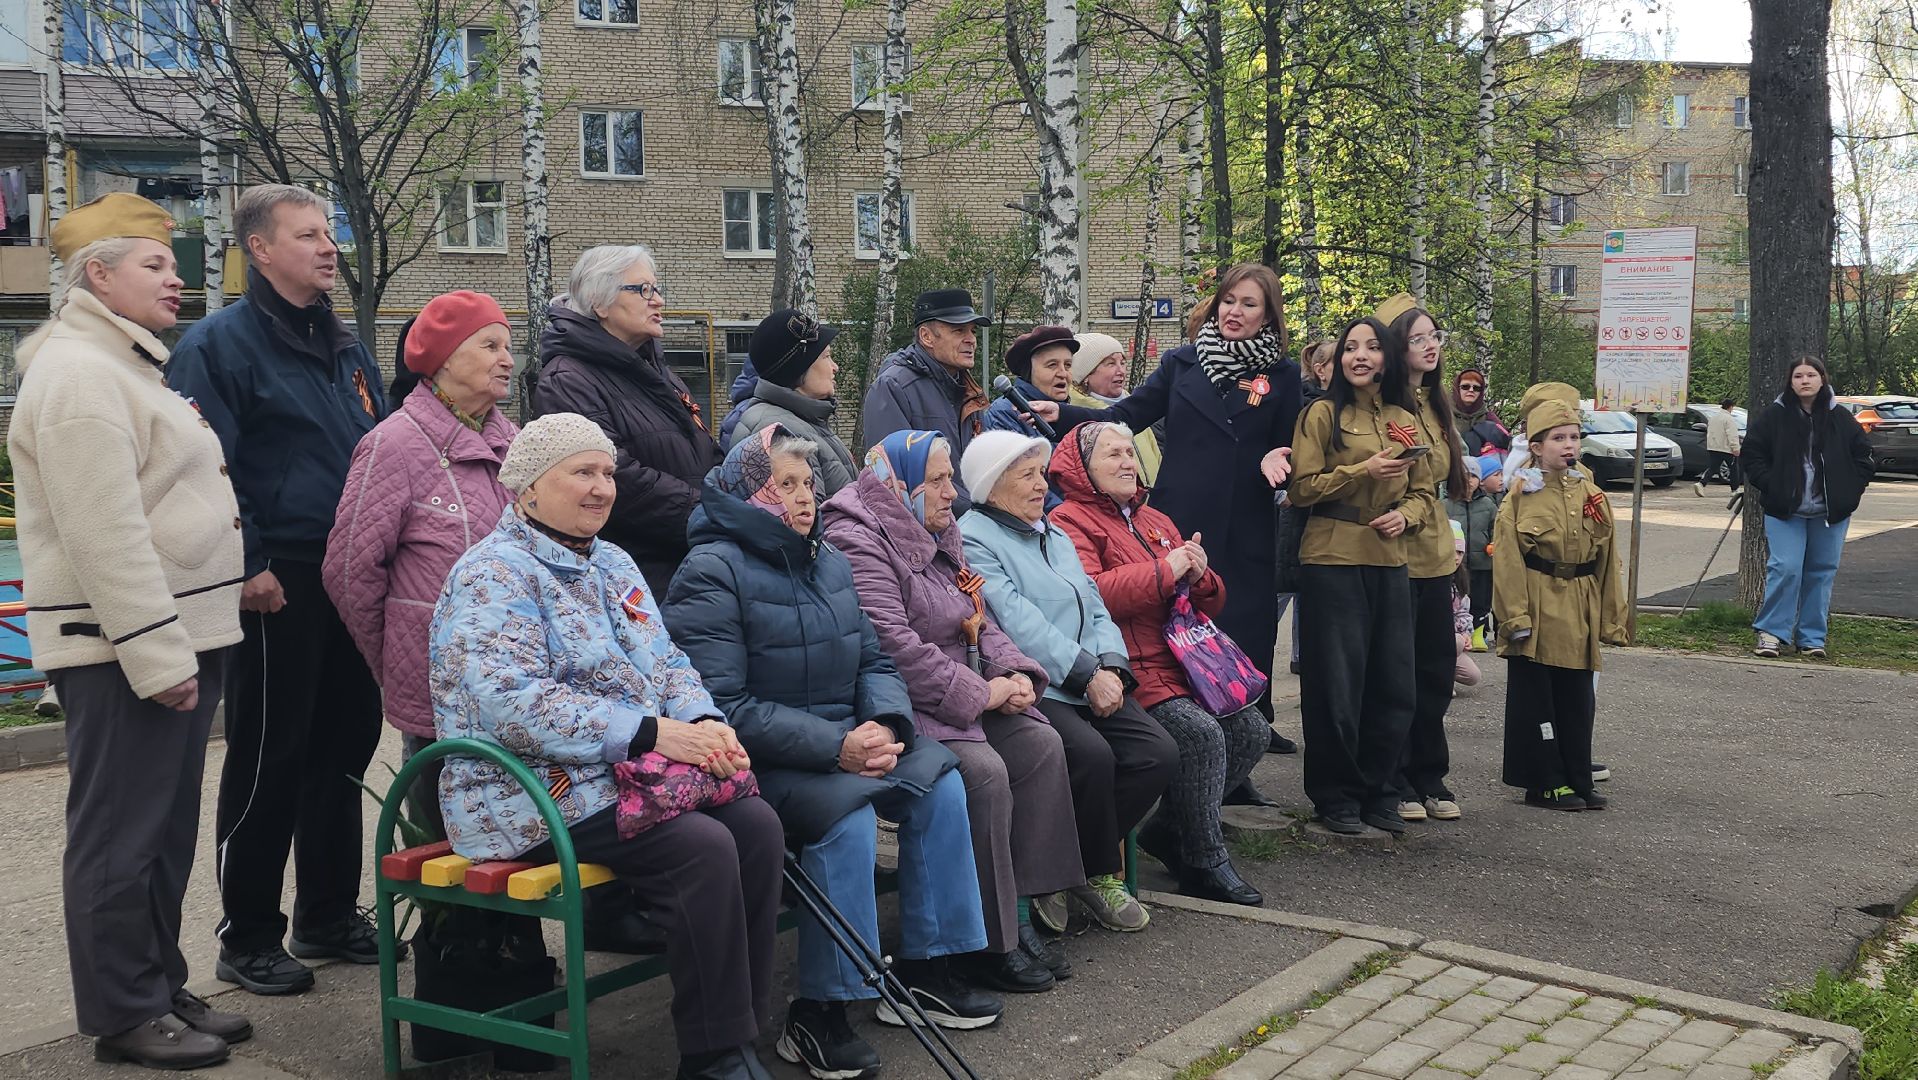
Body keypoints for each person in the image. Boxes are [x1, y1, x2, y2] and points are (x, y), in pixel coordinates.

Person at [431, 413, 782, 1080]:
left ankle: (737, 1031)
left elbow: (667, 659)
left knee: (758, 826)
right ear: (529, 488)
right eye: (581, 472)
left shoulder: (612, 561)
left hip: (622, 775)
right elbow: (510, 703)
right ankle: (712, 1055)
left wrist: (705, 722)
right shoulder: (494, 574)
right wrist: (651, 732)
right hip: (523, 789)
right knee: (702, 850)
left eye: (607, 473)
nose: (601, 488)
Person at [665, 426, 1000, 1078]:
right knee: (844, 821)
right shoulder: (711, 571)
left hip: (848, 742)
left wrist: (882, 724)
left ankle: (931, 966)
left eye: (808, 484)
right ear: (748, 492)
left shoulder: (828, 561)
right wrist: (836, 747)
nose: (804, 498)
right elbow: (722, 706)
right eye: (784, 484)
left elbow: (874, 660)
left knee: (942, 781)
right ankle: (821, 1010)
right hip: (768, 762)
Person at [10, 193, 252, 1069]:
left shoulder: (124, 366)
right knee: (121, 836)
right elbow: (103, 531)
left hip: (168, 642)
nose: (175, 276)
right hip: (124, 650)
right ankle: (122, 1012)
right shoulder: (79, 374)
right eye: (153, 264)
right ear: (97, 275)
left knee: (157, 833)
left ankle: (155, 985)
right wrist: (157, 653)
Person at [167, 183, 387, 996]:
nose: (328, 247)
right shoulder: (218, 346)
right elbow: (200, 467)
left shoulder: (344, 345)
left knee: (346, 742)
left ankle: (327, 912)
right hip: (277, 579)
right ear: (259, 249)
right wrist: (248, 558)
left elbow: (377, 449)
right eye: (307, 235)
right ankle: (248, 931)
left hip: (348, 573)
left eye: (329, 232)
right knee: (270, 753)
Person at [821, 431, 1086, 993]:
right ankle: (984, 942)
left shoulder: (938, 528)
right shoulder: (857, 537)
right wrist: (979, 693)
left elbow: (978, 616)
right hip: (897, 701)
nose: (952, 493)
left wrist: (1013, 674)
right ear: (900, 484)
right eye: (938, 480)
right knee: (983, 773)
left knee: (1040, 746)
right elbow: (891, 645)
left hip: (961, 685)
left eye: (951, 478)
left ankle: (1018, 914)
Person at [1039, 263, 1302, 745]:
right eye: (1228, 300)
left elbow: (1291, 443)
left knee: (1245, 624)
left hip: (1245, 523)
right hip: (1178, 520)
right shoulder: (1183, 362)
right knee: (1181, 627)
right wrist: (1063, 414)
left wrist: (1279, 457)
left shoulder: (1282, 375)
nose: (1234, 311)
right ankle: (1188, 732)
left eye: (1249, 304)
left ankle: (1247, 731)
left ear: (1268, 317)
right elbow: (1125, 415)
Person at [958, 431, 1178, 934]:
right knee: (1092, 756)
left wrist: (1113, 669)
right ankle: (1096, 873)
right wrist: (1086, 676)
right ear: (993, 485)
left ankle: (1067, 863)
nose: (1042, 485)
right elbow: (1017, 621)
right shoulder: (975, 538)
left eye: (1041, 472)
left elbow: (1094, 604)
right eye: (1028, 475)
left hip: (1093, 675)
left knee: (1157, 754)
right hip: (1040, 683)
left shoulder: (1050, 532)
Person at [1049, 422, 1267, 906]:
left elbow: (1205, 606)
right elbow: (1089, 597)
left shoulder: (1156, 520)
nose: (1129, 462)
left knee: (1251, 731)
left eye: (1131, 452)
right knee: (1199, 735)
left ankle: (1170, 830)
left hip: (1186, 663)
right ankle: (1203, 858)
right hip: (1127, 667)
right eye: (1113, 455)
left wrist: (1202, 573)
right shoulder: (1068, 521)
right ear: (1083, 467)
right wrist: (1164, 571)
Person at [324, 291, 520, 830]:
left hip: (520, 681)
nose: (508, 358)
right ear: (445, 358)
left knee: (515, 845)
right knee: (449, 850)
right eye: (490, 345)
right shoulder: (393, 444)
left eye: (509, 344)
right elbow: (349, 570)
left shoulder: (518, 447)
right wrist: (397, 657)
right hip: (440, 686)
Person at [1285, 316, 1420, 836]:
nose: (1359, 356)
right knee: (1336, 684)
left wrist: (1405, 514)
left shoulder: (1403, 417)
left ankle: (1379, 790)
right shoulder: (1322, 413)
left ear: (1388, 357)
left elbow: (1426, 492)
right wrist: (1361, 472)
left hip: (1389, 557)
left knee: (1392, 684)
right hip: (1333, 557)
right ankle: (1335, 795)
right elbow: (1301, 489)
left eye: (1370, 347)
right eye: (1349, 348)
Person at [530, 244, 719, 595]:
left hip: (692, 564)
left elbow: (703, 449)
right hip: (633, 583)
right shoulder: (568, 381)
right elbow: (619, 478)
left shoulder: (660, 374)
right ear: (599, 303)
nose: (658, 300)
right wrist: (710, 514)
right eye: (643, 290)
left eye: (657, 289)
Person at [1492, 383, 1629, 811]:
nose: (1569, 446)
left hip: (1579, 607)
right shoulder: (1521, 496)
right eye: (1558, 438)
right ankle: (1545, 780)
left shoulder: (1591, 495)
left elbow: (1608, 559)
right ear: (1536, 447)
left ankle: (1576, 773)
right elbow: (1509, 560)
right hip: (1538, 605)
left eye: (1573, 437)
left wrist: (1611, 618)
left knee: (1576, 699)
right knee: (1539, 701)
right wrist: (1514, 617)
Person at [1379, 295, 1470, 824]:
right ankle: (1394, 777)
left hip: (1436, 551)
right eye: (1419, 338)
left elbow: (1440, 473)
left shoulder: (1437, 403)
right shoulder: (1385, 406)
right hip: (1395, 551)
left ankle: (1430, 774)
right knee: (1398, 675)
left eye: (1435, 335)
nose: (1431, 344)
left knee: (1435, 672)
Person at [1740, 357, 1875, 659]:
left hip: (1830, 513)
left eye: (1811, 375)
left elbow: (1864, 456)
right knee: (1785, 568)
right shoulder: (1775, 416)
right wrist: (1771, 483)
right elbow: (1752, 453)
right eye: (1798, 375)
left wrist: (1850, 491)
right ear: (1790, 381)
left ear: (1822, 379)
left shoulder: (1839, 417)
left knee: (1821, 572)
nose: (1804, 380)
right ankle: (1772, 633)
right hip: (1786, 510)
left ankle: (1812, 638)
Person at [860, 288, 993, 506]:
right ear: (926, 336)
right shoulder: (894, 386)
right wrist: (978, 514)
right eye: (959, 331)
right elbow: (895, 476)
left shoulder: (968, 390)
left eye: (973, 331)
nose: (971, 340)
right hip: (921, 530)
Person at [731, 310, 860, 497]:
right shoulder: (780, 431)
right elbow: (807, 521)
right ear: (798, 369)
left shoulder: (806, 421)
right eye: (826, 357)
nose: (835, 367)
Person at [1069, 332, 1162, 485]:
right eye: (1111, 364)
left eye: (1123, 363)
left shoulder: (1135, 409)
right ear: (1086, 376)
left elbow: (1157, 459)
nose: (1121, 371)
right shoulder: (1079, 418)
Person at [983, 324, 1077, 438]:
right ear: (1028, 371)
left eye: (1068, 365)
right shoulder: (1004, 412)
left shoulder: (1072, 412)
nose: (1063, 373)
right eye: (1052, 365)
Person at [1446, 456, 1503, 639]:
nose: (1468, 480)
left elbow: (1496, 527)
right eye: (1463, 475)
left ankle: (1479, 632)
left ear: (1480, 479)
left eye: (1472, 476)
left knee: (1481, 600)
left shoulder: (1488, 505)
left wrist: (1494, 543)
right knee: (1458, 597)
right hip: (1456, 563)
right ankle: (1457, 630)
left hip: (1482, 563)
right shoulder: (1446, 505)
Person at [1449, 523, 1481, 689]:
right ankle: (1435, 680)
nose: (1455, 557)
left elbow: (1463, 612)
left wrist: (1466, 632)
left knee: (1473, 675)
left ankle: (1445, 673)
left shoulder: (1459, 580)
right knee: (1456, 642)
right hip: (1426, 641)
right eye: (1451, 551)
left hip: (1451, 639)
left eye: (1460, 552)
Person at [1452, 368, 1509, 457]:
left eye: (1476, 388)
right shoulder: (1444, 414)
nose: (1471, 390)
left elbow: (1508, 444)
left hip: (1483, 468)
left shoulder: (1489, 418)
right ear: (1457, 389)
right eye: (1465, 386)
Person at [1697, 396, 1743, 495]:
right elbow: (1732, 434)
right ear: (1730, 407)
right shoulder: (1729, 419)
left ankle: (1701, 483)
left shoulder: (1713, 418)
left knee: (1713, 467)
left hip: (1713, 447)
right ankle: (1734, 489)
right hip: (1726, 448)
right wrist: (1736, 448)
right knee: (1734, 468)